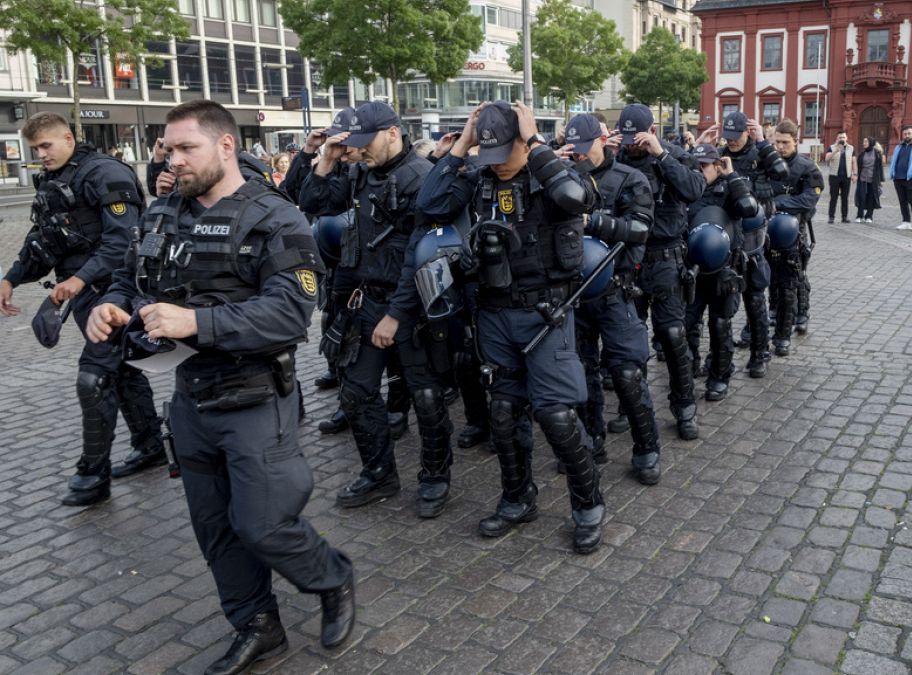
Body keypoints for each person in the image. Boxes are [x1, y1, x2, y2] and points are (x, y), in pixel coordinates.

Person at [84, 99, 354, 675]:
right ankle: (257, 626)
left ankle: (331, 578)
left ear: (225, 146)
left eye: (187, 148)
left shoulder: (276, 218)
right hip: (189, 401)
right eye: (167, 149)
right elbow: (131, 281)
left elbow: (290, 313)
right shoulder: (162, 214)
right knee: (215, 529)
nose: (173, 160)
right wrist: (110, 306)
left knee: (263, 524)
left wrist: (196, 323)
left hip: (256, 398)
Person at [417, 100, 607, 554]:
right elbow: (429, 205)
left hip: (547, 313)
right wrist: (462, 147)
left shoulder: (551, 175)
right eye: (489, 153)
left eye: (505, 151)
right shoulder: (480, 177)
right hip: (495, 315)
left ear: (524, 142)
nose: (497, 164)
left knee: (556, 416)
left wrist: (538, 141)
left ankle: (588, 503)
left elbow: (575, 200)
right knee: (503, 414)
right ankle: (518, 497)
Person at [0, 112, 164, 506]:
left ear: (69, 138)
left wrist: (80, 279)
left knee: (94, 379)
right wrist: (11, 278)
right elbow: (43, 241)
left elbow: (125, 241)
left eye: (46, 146)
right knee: (122, 371)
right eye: (34, 149)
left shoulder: (106, 174)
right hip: (83, 295)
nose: (40, 155)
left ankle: (92, 476)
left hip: (115, 294)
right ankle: (150, 446)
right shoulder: (55, 180)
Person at [298, 101, 446, 514]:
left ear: (393, 133)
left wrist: (396, 315)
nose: (359, 151)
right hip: (367, 300)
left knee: (427, 397)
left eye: (367, 142)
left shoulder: (423, 179)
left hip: (411, 304)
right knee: (357, 392)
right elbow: (313, 201)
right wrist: (325, 158)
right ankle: (379, 474)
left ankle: (435, 476)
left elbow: (421, 256)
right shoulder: (361, 173)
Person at [560, 113, 662, 485]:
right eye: (574, 152)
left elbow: (640, 228)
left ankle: (646, 447)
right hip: (575, 294)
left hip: (616, 289)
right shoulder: (562, 178)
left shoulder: (630, 179)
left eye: (585, 149)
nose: (580, 157)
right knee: (580, 375)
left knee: (628, 372)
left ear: (603, 140)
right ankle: (591, 442)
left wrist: (593, 222)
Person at [616, 103, 704, 440]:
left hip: (666, 259)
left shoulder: (675, 156)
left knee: (672, 336)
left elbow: (694, 189)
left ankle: (684, 407)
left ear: (651, 131)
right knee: (629, 341)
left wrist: (662, 156)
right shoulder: (619, 159)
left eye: (636, 138)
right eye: (626, 138)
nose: (631, 145)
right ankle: (631, 405)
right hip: (629, 260)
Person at [711, 110, 788, 379]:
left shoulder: (761, 154)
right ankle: (718, 355)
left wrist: (764, 142)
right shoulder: (721, 154)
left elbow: (781, 173)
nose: (731, 142)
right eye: (728, 136)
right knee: (721, 297)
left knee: (754, 298)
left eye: (737, 136)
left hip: (754, 234)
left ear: (748, 132)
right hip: (729, 232)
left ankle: (759, 353)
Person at [685, 144, 756, 401]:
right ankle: (689, 367)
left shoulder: (730, 188)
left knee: (720, 324)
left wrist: (732, 176)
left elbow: (749, 207)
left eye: (704, 165)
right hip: (693, 269)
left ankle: (719, 376)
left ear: (717, 165)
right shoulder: (688, 188)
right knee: (685, 323)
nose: (699, 170)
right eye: (696, 165)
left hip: (724, 270)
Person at [767, 119, 823, 346]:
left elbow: (810, 198)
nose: (780, 147)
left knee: (796, 272)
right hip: (770, 227)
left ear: (795, 141)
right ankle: (774, 309)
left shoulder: (807, 167)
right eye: (777, 142)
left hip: (796, 228)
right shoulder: (768, 164)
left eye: (785, 142)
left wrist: (781, 204)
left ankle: (802, 313)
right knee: (771, 271)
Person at [888, 125, 912, 231]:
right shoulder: (899, 146)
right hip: (898, 178)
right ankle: (905, 221)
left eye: (909, 133)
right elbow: (894, 161)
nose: (907, 135)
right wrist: (892, 173)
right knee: (902, 201)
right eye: (905, 134)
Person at [824, 130, 855, 224]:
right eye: (840, 137)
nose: (842, 139)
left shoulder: (851, 148)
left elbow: (854, 162)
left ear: (846, 138)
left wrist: (855, 174)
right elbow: (827, 159)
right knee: (833, 197)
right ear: (837, 138)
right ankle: (831, 217)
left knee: (845, 198)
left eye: (843, 137)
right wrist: (836, 150)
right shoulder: (831, 147)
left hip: (846, 176)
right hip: (834, 176)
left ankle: (844, 217)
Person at [854, 136, 883, 223]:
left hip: (873, 179)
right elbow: (858, 166)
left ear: (871, 142)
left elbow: (880, 168)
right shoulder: (862, 154)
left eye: (866, 142)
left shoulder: (877, 154)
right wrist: (855, 175)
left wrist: (881, 180)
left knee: (871, 197)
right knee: (861, 196)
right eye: (864, 142)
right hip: (862, 179)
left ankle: (869, 216)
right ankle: (859, 215)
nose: (864, 143)